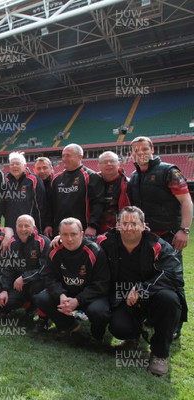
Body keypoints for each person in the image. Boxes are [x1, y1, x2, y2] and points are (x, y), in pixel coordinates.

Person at [98, 206, 185, 376]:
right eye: (125, 223)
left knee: (170, 299)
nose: (129, 228)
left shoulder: (157, 245)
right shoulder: (106, 240)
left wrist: (142, 289)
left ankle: (160, 354)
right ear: (117, 225)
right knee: (118, 328)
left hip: (152, 297)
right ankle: (134, 335)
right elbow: (83, 242)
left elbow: (174, 275)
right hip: (123, 297)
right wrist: (59, 239)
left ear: (144, 225)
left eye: (134, 223)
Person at [128, 136, 191, 338]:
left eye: (144, 148)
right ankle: (151, 316)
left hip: (170, 235)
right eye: (136, 150)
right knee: (149, 277)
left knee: (172, 279)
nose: (140, 153)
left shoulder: (169, 171)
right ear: (132, 154)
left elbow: (187, 202)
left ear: (152, 149)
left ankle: (175, 325)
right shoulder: (135, 177)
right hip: (147, 238)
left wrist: (185, 229)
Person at [34, 218, 110, 341]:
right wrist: (61, 295)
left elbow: (101, 284)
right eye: (65, 234)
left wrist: (78, 300)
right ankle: (68, 325)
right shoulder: (54, 250)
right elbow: (49, 277)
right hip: (66, 294)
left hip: (89, 296)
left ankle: (96, 334)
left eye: (73, 234)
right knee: (41, 298)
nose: (69, 239)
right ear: (59, 235)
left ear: (82, 234)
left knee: (99, 312)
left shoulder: (95, 251)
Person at [0, 215, 49, 327]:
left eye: (26, 226)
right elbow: (8, 267)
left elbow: (45, 268)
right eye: (20, 226)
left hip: (37, 282)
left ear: (34, 227)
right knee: (5, 303)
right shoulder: (13, 242)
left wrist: (24, 277)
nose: (23, 229)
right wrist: (4, 289)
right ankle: (28, 304)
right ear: (16, 227)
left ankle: (42, 318)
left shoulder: (43, 242)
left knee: (39, 286)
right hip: (19, 285)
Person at [45, 144, 104, 237]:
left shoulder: (91, 176)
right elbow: (50, 205)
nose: (64, 158)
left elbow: (98, 204)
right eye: (63, 155)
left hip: (83, 230)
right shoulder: (56, 179)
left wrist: (93, 225)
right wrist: (48, 224)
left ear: (80, 157)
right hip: (59, 231)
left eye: (68, 155)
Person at [0, 152, 47, 232]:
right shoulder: (5, 181)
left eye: (17, 164)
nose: (14, 166)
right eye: (12, 164)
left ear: (25, 165)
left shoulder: (34, 180)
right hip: (11, 228)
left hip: (30, 228)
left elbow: (41, 206)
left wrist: (39, 229)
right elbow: (1, 206)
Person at [97, 151, 130, 234]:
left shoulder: (129, 184)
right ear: (99, 166)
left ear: (118, 164)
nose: (109, 164)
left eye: (112, 161)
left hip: (120, 231)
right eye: (105, 162)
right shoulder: (91, 182)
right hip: (94, 230)